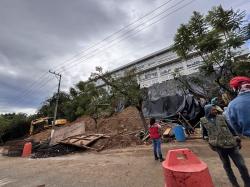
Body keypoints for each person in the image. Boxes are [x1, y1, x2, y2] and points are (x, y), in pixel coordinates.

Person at [200, 104, 250, 187]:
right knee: (227, 167)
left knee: (241, 165)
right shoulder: (203, 121)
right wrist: (210, 142)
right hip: (220, 148)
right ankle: (235, 184)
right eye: (213, 110)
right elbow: (205, 134)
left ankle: (248, 183)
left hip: (232, 145)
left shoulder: (221, 117)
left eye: (215, 109)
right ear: (208, 111)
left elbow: (230, 128)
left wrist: (237, 138)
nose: (215, 111)